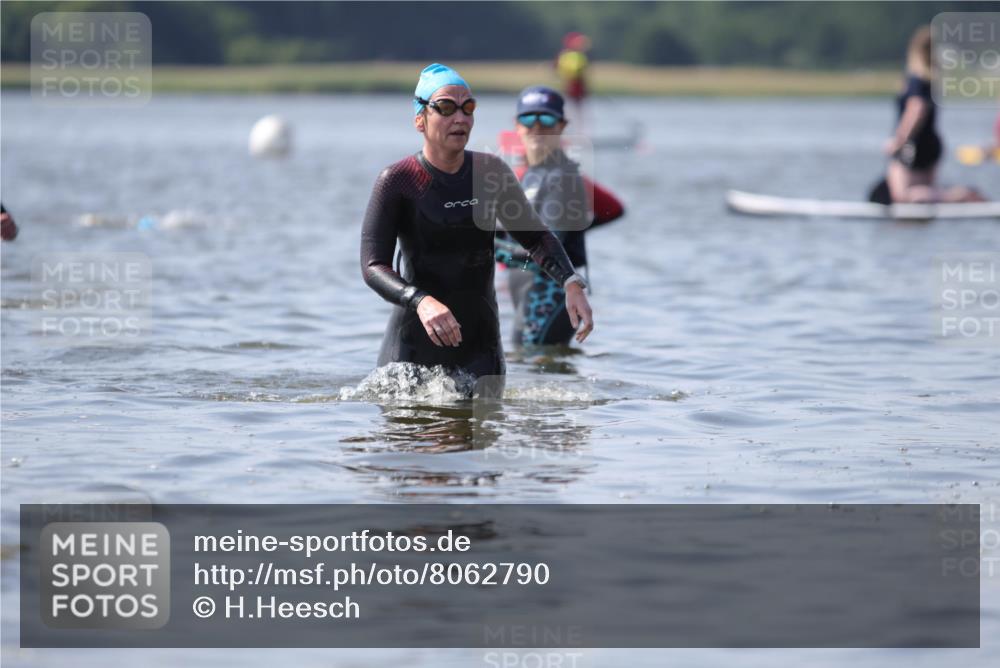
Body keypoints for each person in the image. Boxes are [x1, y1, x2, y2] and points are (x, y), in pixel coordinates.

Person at [360, 64, 593, 396]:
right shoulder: (398, 181)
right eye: (445, 107)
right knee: (409, 440)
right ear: (419, 119)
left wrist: (571, 283)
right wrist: (421, 301)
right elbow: (373, 266)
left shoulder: (491, 173)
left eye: (468, 107)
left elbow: (536, 237)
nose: (460, 117)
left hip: (481, 351)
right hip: (412, 346)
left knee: (481, 441)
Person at [497, 86, 613, 347]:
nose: (537, 126)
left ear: (562, 125)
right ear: (517, 125)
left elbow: (543, 248)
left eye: (547, 119)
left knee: (534, 368)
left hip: (551, 298)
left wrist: (482, 245)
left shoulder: (564, 178)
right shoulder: (530, 174)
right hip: (526, 293)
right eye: (529, 118)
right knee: (529, 373)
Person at [883, 26, 985, 203]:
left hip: (913, 145)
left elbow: (917, 109)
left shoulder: (916, 79)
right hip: (931, 144)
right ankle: (961, 195)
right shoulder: (932, 81)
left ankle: (962, 195)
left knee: (902, 196)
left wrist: (899, 140)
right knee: (925, 192)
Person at [555, 33, 591, 120]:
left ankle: (578, 128)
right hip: (571, 85)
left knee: (578, 110)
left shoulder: (579, 56)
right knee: (570, 108)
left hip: (577, 86)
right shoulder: (568, 55)